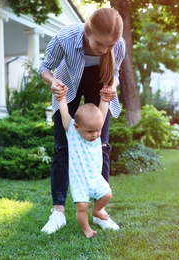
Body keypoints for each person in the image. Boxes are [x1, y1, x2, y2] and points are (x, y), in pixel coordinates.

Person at [39, 7, 125, 234]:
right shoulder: (66, 38)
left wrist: (112, 89)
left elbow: (115, 72)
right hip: (67, 85)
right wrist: (53, 83)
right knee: (62, 147)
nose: (105, 50)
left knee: (102, 144)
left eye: (110, 46)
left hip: (100, 83)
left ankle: (99, 212)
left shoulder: (119, 45)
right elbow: (44, 68)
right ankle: (58, 212)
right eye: (100, 44)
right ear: (88, 31)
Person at [57, 85, 112, 238]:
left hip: (95, 178)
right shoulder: (72, 132)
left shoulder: (96, 131)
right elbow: (64, 114)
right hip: (79, 181)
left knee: (107, 194)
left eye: (98, 130)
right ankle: (86, 229)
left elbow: (102, 112)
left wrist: (104, 98)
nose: (95, 135)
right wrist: (61, 99)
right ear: (77, 126)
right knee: (82, 206)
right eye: (90, 131)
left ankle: (97, 210)